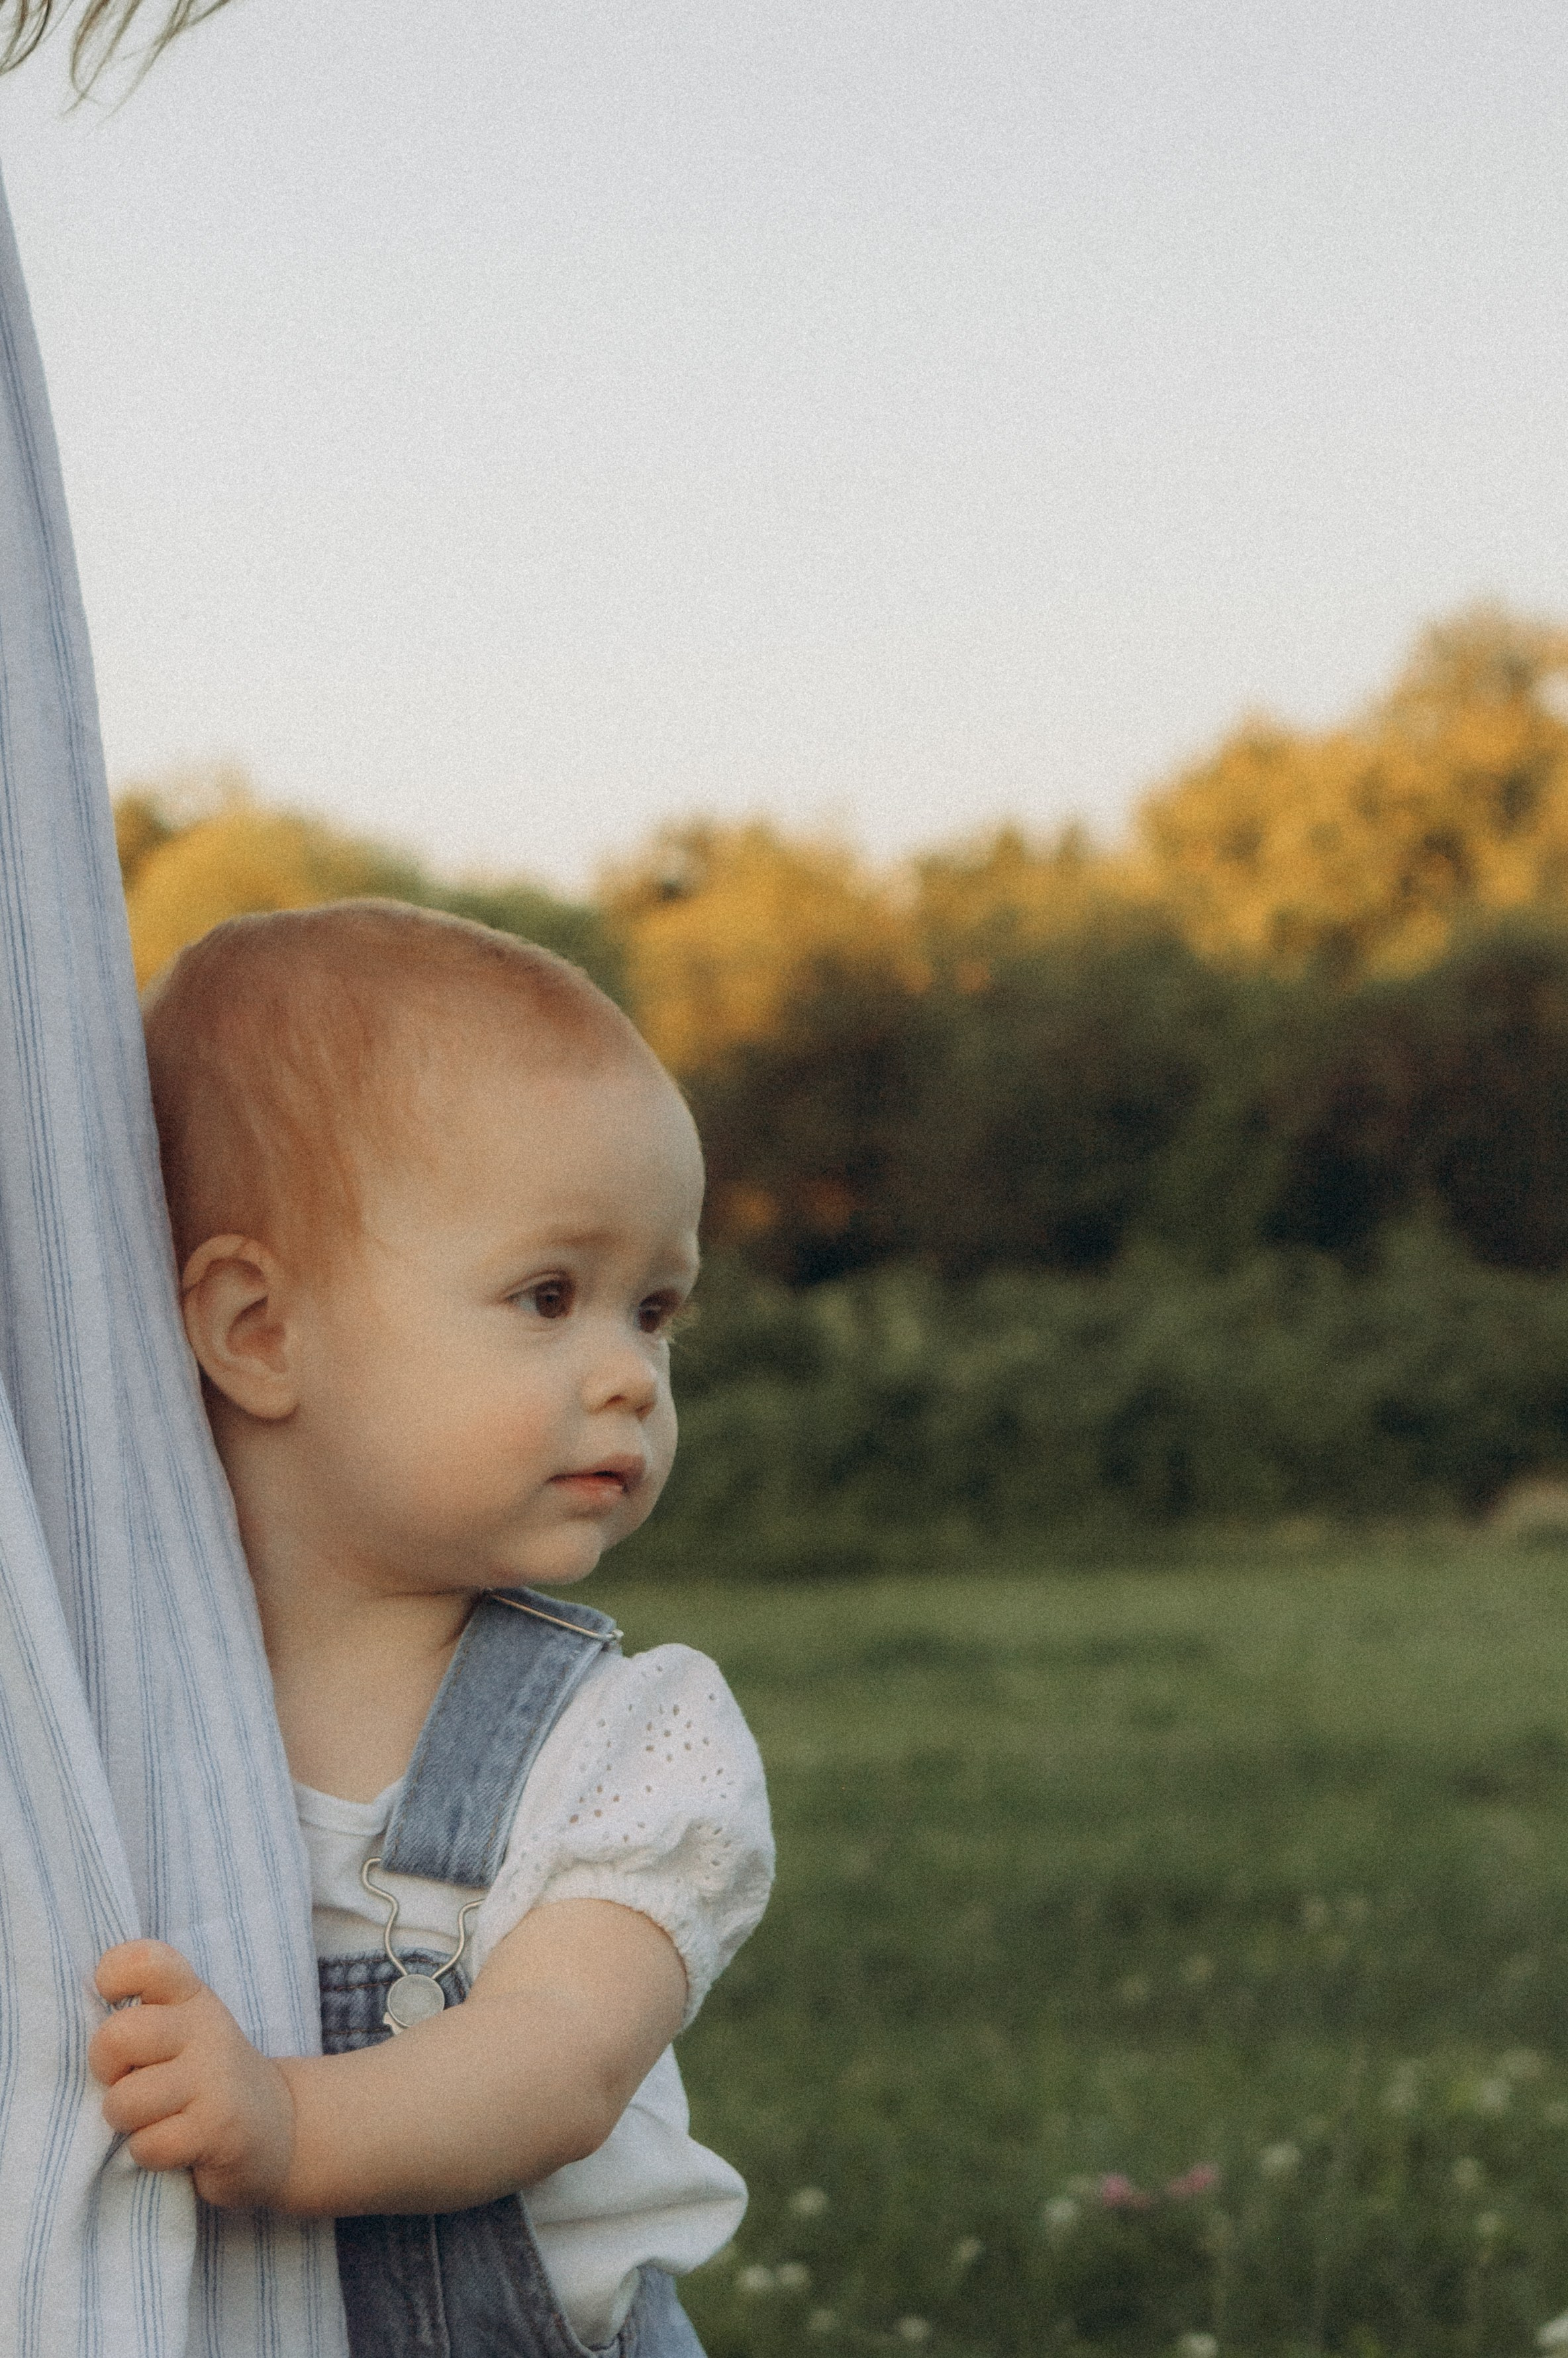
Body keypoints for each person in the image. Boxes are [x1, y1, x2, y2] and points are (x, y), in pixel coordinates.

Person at [87, 900, 774, 2357]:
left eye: (655, 1309)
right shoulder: (92, 1709)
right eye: (549, 1293)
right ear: (260, 1330)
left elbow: (561, 2056)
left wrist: (293, 2121)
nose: (631, 1375)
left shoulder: (629, 1735)